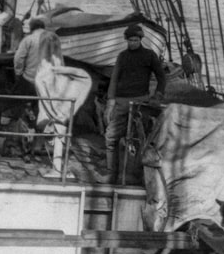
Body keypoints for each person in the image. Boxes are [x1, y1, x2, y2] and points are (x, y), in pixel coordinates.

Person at [104, 23, 167, 179]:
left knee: (141, 139)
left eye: (136, 40)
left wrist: (157, 95)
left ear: (141, 40)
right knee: (111, 136)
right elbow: (114, 79)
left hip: (141, 102)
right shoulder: (122, 56)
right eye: (130, 40)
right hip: (122, 102)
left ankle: (140, 174)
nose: (133, 43)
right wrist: (110, 102)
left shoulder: (150, 56)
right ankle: (111, 173)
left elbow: (162, 77)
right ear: (126, 40)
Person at [33, 31, 92, 179]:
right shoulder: (61, 68)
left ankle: (57, 169)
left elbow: (45, 97)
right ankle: (61, 168)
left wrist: (52, 115)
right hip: (63, 107)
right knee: (62, 137)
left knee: (56, 135)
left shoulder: (42, 73)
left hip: (53, 109)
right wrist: (61, 70)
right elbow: (85, 77)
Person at [13, 18, 47, 95]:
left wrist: (18, 73)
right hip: (49, 78)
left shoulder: (28, 39)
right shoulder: (52, 38)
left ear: (31, 28)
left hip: (31, 79)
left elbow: (18, 58)